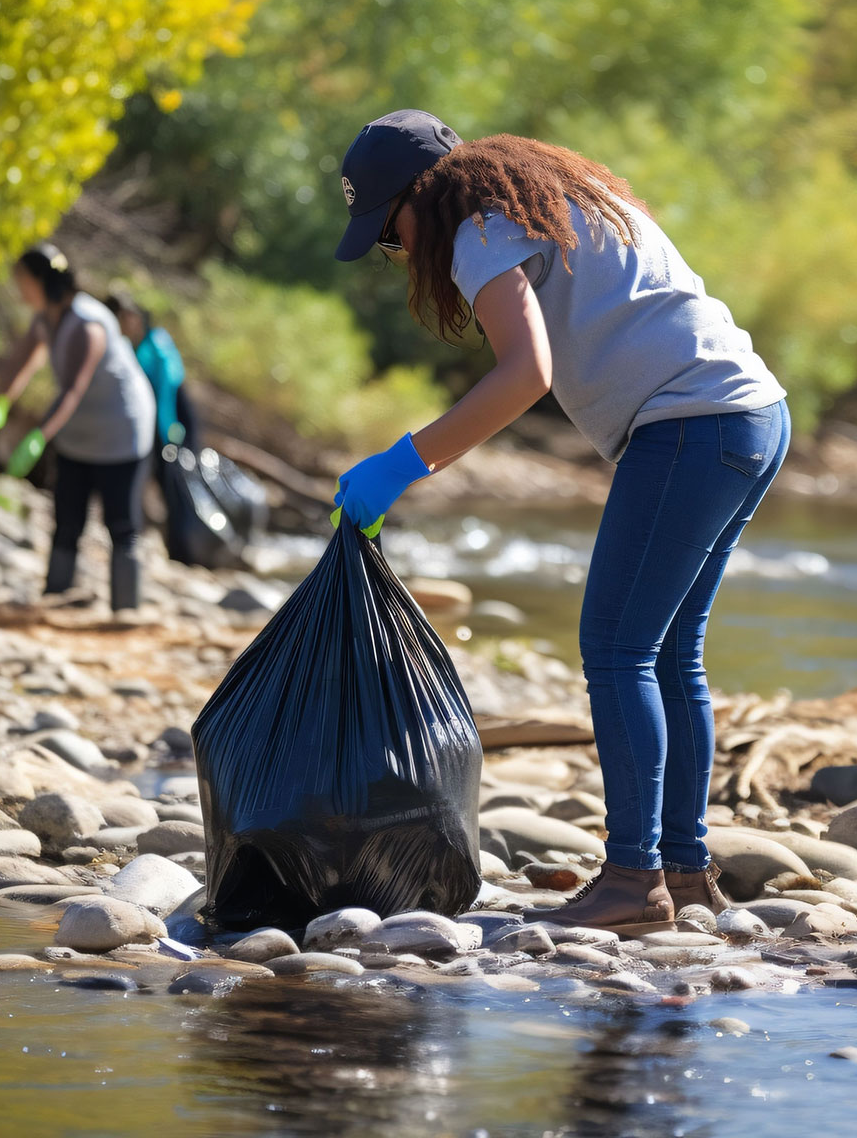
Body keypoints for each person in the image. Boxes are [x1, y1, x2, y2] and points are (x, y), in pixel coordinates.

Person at [330, 111, 789, 933]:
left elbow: (524, 374)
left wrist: (400, 464)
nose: (399, 252)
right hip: (752, 414)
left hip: (691, 423)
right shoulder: (558, 195)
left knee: (616, 649)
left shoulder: (475, 225)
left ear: (418, 198)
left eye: (390, 233)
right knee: (669, 652)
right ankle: (681, 874)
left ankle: (632, 880)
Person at [0, 245, 156, 611]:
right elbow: (21, 364)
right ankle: (55, 601)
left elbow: (73, 389)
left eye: (22, 282)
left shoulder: (87, 324)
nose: (19, 290)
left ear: (42, 280)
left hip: (120, 431)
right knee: (66, 518)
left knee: (121, 524)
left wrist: (38, 437)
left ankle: (126, 614)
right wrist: (0, 402)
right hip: (78, 434)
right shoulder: (46, 318)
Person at [103, 292, 199, 449]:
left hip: (172, 405)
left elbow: (165, 389)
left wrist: (166, 430)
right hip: (153, 405)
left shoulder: (156, 342)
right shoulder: (129, 346)